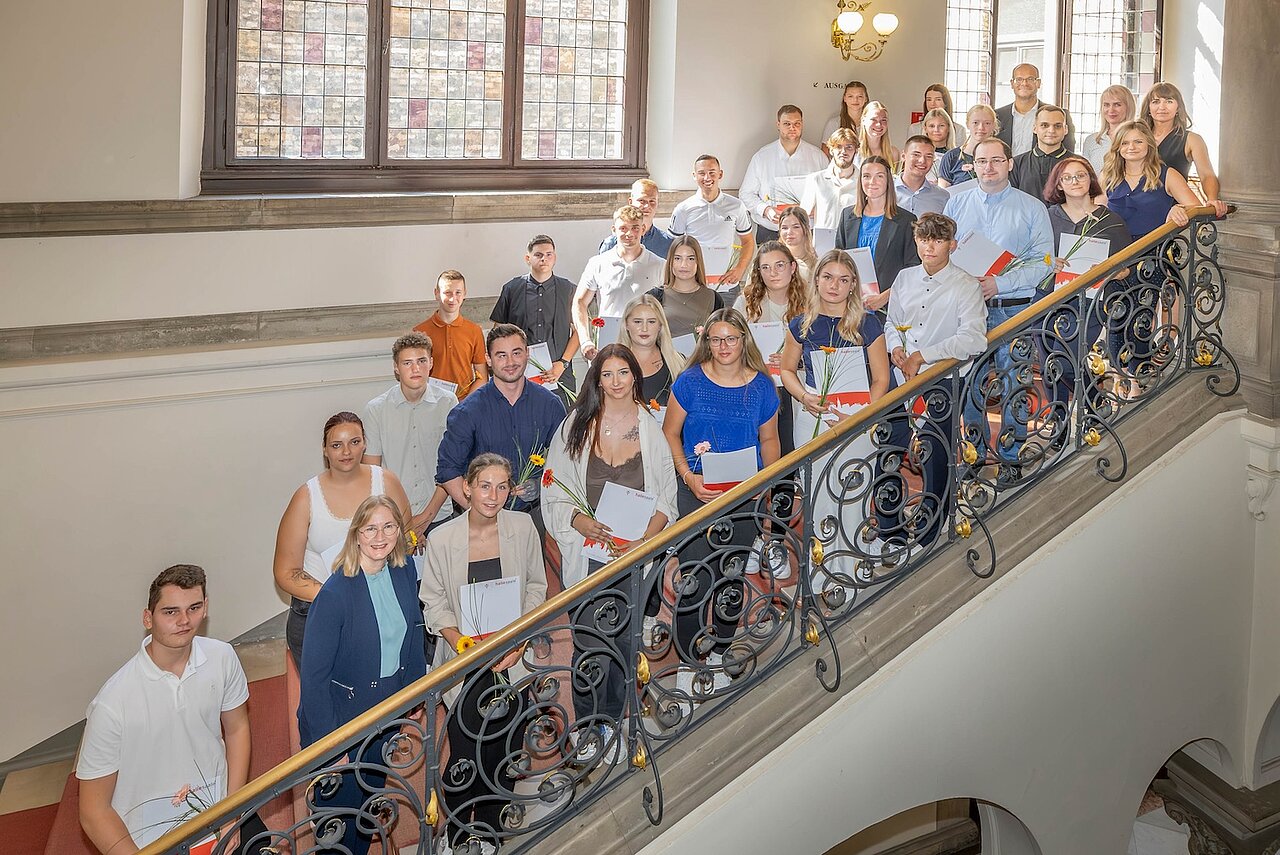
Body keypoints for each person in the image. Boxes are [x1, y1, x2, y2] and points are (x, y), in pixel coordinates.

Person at [77, 565, 268, 854]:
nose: (184, 620)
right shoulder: (112, 703)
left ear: (205, 609)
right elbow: (93, 811)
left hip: (217, 810)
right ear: (147, 618)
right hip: (153, 838)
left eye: (193, 608)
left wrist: (233, 810)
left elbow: (238, 728)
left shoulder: (222, 657)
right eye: (170, 612)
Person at [543, 343, 677, 733]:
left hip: (635, 556)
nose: (616, 382)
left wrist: (644, 544)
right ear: (596, 379)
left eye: (623, 373)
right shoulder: (575, 426)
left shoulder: (650, 430)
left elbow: (667, 499)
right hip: (588, 554)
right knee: (590, 643)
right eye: (607, 374)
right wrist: (576, 520)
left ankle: (617, 718)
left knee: (624, 640)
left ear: (635, 375)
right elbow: (553, 487)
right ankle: (590, 725)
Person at [420, 453, 547, 851]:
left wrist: (520, 641)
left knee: (505, 747)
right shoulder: (442, 538)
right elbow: (433, 602)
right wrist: (461, 645)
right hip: (464, 661)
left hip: (510, 656)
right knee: (464, 753)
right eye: (485, 486)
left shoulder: (523, 526)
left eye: (502, 486)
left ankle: (491, 830)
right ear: (468, 489)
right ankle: (458, 835)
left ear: (511, 490)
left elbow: (536, 589)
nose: (493, 495)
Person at [298, 496, 427, 855]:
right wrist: (329, 746)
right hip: (343, 722)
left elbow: (414, 630)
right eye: (370, 528)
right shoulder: (335, 593)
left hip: (385, 714)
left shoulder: (403, 570)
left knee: (367, 809)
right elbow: (313, 678)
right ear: (356, 535)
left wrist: (415, 691)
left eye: (388, 526)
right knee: (337, 823)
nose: (380, 536)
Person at [663, 308, 781, 693]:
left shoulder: (762, 387)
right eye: (716, 339)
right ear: (706, 342)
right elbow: (670, 434)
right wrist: (687, 477)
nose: (724, 346)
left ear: (744, 340)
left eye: (731, 338)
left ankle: (723, 647)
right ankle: (689, 661)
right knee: (696, 578)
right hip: (697, 493)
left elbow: (769, 441)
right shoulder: (690, 382)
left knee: (731, 575)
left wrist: (764, 484)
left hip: (743, 496)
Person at [944, 137, 1053, 481]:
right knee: (971, 385)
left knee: (1015, 384)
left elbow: (1046, 263)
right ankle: (973, 456)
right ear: (972, 165)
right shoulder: (956, 205)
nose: (988, 167)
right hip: (967, 310)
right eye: (981, 161)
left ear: (1009, 163)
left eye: (996, 160)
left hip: (1014, 307)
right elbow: (939, 255)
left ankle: (1010, 456)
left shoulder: (1032, 207)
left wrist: (998, 284)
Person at [779, 250, 893, 567]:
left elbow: (882, 378)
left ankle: (854, 563)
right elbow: (787, 371)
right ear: (816, 280)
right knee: (818, 496)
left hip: (858, 416)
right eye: (828, 277)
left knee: (854, 492)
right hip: (814, 412)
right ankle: (823, 566)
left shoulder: (869, 324)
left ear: (853, 284)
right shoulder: (800, 324)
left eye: (843, 280)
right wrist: (803, 396)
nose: (834, 285)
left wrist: (860, 412)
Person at [274, 412, 411, 668]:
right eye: (337, 445)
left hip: (379, 605)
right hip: (319, 610)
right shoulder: (306, 497)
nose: (346, 451)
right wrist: (337, 598)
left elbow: (408, 539)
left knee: (381, 689)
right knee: (328, 695)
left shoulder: (386, 481)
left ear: (365, 443)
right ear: (325, 450)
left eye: (354, 442)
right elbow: (285, 571)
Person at [884, 213, 988, 543]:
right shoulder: (903, 278)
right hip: (901, 377)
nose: (930, 246)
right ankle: (890, 529)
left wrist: (922, 355)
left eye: (938, 240)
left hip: (941, 380)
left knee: (934, 453)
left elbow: (974, 339)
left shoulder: (966, 285)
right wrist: (895, 350)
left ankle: (930, 530)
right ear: (916, 242)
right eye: (924, 239)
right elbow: (891, 323)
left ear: (952, 245)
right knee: (888, 447)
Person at [436, 323, 565, 527]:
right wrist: (478, 511)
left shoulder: (550, 405)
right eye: (501, 355)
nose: (510, 362)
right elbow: (447, 470)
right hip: (482, 524)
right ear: (488, 359)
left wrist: (541, 486)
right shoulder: (467, 411)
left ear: (527, 354)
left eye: (516, 353)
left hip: (537, 516)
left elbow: (566, 461)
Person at [1039, 155, 1133, 428]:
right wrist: (1048, 262)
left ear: (1090, 179)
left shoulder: (1110, 220)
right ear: (1058, 184)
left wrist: (1105, 270)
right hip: (1047, 299)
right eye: (1067, 177)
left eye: (1080, 175)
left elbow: (1125, 269)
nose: (1074, 181)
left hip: (1087, 303)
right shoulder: (1047, 217)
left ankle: (1094, 400)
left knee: (1067, 363)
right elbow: (1031, 256)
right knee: (1049, 367)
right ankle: (1059, 420)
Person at [363, 332, 456, 540]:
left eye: (421, 361)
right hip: (392, 520)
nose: (416, 369)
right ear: (396, 367)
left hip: (439, 514)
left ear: (431, 363)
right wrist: (406, 523)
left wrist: (425, 517)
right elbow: (373, 475)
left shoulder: (448, 403)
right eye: (407, 363)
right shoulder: (376, 410)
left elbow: (453, 466)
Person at [735, 240, 809, 456]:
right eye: (765, 267)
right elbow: (732, 345)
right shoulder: (745, 303)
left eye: (779, 265)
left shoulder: (810, 304)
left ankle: (786, 488)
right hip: (757, 386)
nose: (773, 273)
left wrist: (795, 360)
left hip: (797, 387)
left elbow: (821, 350)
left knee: (790, 451)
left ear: (792, 267)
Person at [491, 234, 581, 407]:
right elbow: (498, 333)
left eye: (549, 254)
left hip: (559, 372)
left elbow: (580, 330)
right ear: (528, 258)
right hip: (519, 373)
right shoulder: (512, 288)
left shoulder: (568, 289)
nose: (544, 259)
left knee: (562, 427)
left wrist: (562, 363)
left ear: (555, 257)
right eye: (538, 255)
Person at [574, 206, 666, 361]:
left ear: (643, 229)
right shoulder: (598, 263)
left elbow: (668, 307)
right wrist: (585, 341)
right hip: (607, 345)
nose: (629, 234)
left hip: (646, 346)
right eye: (623, 228)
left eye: (635, 228)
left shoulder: (660, 265)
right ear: (613, 230)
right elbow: (580, 302)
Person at [834, 156, 920, 312]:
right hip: (851, 306)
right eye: (866, 176)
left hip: (889, 307)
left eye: (879, 176)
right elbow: (838, 260)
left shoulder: (906, 220)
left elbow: (913, 268)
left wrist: (886, 297)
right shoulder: (847, 216)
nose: (872, 182)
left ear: (888, 181)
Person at [1138, 81, 1229, 216]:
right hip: (1137, 205)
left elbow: (1206, 174)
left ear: (1178, 107)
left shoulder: (1192, 139)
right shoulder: (1137, 137)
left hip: (1173, 212)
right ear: (1148, 108)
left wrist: (1212, 200)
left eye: (1169, 101)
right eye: (1156, 101)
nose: (1162, 107)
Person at [740, 105, 828, 242]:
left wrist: (816, 208)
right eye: (787, 124)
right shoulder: (762, 157)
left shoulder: (818, 157)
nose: (792, 128)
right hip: (771, 231)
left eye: (797, 123)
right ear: (778, 125)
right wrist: (765, 209)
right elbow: (745, 193)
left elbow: (829, 193)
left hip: (807, 232)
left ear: (802, 124)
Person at [1102, 121, 1201, 240]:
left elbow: (1196, 208)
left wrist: (1179, 208)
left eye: (1138, 142)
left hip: (1154, 252)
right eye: (1125, 143)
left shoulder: (1168, 174)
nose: (1131, 147)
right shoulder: (1107, 175)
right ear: (1117, 147)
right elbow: (1096, 213)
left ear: (1149, 144)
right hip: (1115, 252)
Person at [668, 155, 756, 288]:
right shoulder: (683, 209)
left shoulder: (736, 206)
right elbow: (672, 246)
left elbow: (748, 241)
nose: (707, 178)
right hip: (694, 285)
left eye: (712, 173)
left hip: (727, 286)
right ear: (694, 175)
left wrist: (740, 269)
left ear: (720, 174)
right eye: (701, 173)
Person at [413, 270, 489, 400]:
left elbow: (482, 377)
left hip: (464, 403)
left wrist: (464, 403)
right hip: (431, 402)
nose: (453, 298)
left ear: (465, 294)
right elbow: (414, 375)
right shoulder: (420, 332)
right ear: (436, 294)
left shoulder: (474, 331)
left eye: (458, 292)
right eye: (447, 293)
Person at [646, 235, 725, 338]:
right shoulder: (654, 297)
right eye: (678, 258)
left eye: (691, 259)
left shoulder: (714, 298)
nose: (684, 264)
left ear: (698, 262)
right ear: (671, 262)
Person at [616, 294, 685, 409]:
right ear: (626, 324)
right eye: (637, 322)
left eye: (651, 322)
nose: (644, 328)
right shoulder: (608, 364)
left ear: (660, 326)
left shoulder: (679, 364)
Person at [995, 63, 1076, 156]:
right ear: (1012, 83)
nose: (1024, 83)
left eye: (1030, 79)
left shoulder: (1059, 115)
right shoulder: (997, 116)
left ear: (1038, 83)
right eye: (1019, 79)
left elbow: (1068, 153)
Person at [598, 178, 674, 258]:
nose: (647, 206)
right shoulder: (611, 244)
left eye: (652, 201)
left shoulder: (667, 244)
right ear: (631, 202)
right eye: (642, 201)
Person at [800, 127, 859, 230]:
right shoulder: (815, 180)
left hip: (852, 242)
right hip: (823, 243)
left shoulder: (864, 182)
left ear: (856, 151)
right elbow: (802, 218)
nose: (843, 151)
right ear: (831, 150)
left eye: (849, 147)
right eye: (838, 147)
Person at [1010, 104, 1072, 202]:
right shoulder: (1017, 163)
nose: (1051, 130)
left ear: (1066, 129)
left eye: (1058, 126)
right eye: (1044, 125)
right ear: (1034, 128)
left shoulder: (1078, 164)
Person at [937, 105, 998, 189]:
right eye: (975, 123)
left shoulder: (1000, 157)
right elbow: (943, 193)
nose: (981, 128)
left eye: (987, 123)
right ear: (967, 124)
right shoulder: (951, 157)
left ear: (993, 126)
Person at [1082, 84, 1136, 175]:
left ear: (1129, 107)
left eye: (1117, 104)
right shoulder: (1091, 140)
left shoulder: (1140, 139)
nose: (1111, 110)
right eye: (1106, 105)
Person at [895, 136, 951, 216]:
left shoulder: (942, 197)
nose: (922, 161)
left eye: (928, 156)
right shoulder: (886, 192)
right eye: (916, 155)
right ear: (903, 156)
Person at [821, 81, 870, 150]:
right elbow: (825, 151)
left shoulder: (872, 123)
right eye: (850, 96)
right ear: (845, 98)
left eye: (860, 96)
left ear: (866, 99)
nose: (855, 100)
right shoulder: (834, 123)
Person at [777, 207, 820, 285]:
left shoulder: (816, 264)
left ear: (806, 229)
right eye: (784, 228)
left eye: (796, 227)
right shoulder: (771, 259)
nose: (789, 232)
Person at [854, 101, 901, 171]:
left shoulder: (893, 153)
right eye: (873, 119)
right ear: (863, 120)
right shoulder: (854, 152)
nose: (879, 124)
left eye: (883, 120)